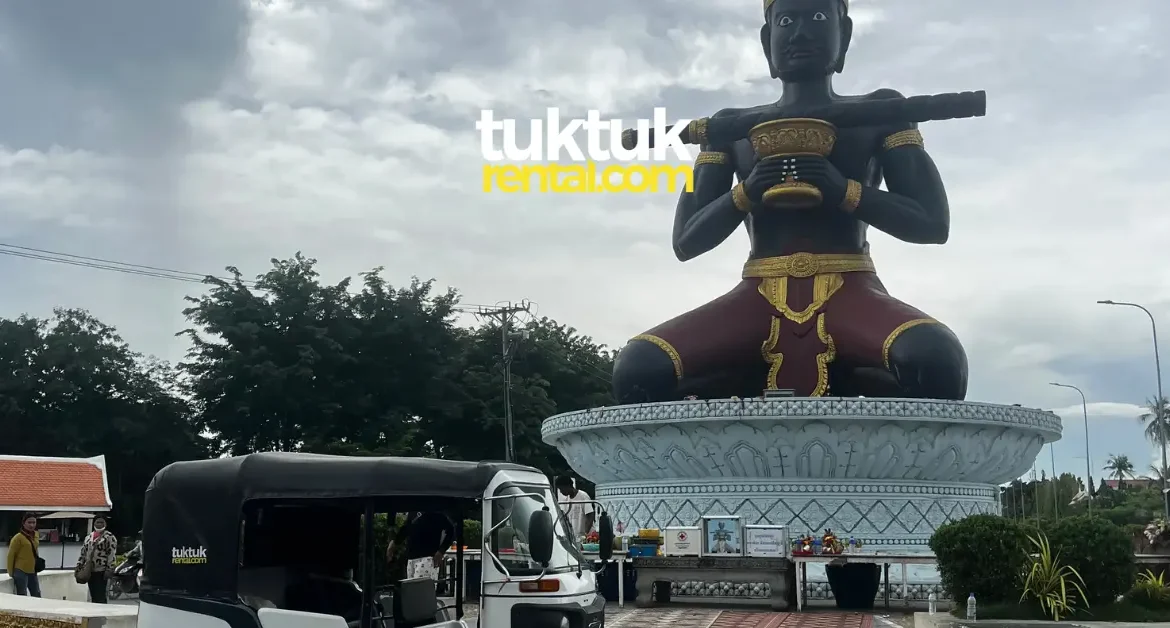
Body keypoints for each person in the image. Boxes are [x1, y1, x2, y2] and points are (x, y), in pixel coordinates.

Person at [611, 0, 968, 403]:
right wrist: (747, 191)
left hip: (851, 290)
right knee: (639, 368)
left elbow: (931, 223)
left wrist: (842, 189)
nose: (800, 33)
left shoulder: (881, 111)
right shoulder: (729, 127)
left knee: (934, 359)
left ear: (845, 34)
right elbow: (686, 241)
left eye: (817, 17)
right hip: (755, 296)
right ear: (768, 41)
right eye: (785, 20)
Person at [385, 511, 455, 583]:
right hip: (411, 559)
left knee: (421, 588)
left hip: (427, 558)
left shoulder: (435, 510)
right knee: (412, 588)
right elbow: (407, 528)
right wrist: (394, 543)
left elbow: (451, 529)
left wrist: (441, 551)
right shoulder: (413, 510)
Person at [76, 515, 117, 603]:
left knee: (100, 595)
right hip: (89, 570)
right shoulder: (88, 537)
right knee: (93, 594)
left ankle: (102, 611)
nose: (99, 524)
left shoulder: (109, 537)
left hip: (101, 570)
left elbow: (111, 554)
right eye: (97, 522)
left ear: (105, 524)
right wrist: (79, 565)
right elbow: (83, 553)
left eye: (101, 522)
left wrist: (110, 569)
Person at [6, 513, 42, 597]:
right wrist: (10, 572)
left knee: (36, 593)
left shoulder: (36, 535)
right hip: (20, 570)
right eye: (29, 522)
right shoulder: (18, 538)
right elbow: (11, 555)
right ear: (23, 523)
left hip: (32, 570)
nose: (31, 525)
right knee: (22, 594)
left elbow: (35, 549)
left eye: (34, 522)